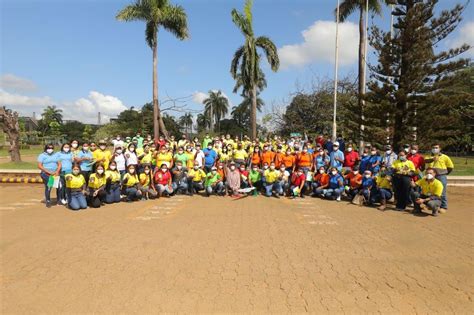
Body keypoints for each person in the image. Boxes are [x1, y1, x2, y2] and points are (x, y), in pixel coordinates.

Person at [424, 144, 453, 212]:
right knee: (430, 191)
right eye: (433, 147)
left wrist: (444, 173)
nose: (434, 149)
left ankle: (443, 206)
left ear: (440, 148)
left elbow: (450, 167)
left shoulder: (445, 157)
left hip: (441, 176)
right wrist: (432, 159)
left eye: (436, 148)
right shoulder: (428, 156)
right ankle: (430, 205)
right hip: (430, 176)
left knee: (442, 191)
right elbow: (426, 161)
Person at [37, 144, 61, 208]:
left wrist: (57, 171)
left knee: (58, 186)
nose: (50, 149)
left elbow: (59, 164)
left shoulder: (55, 155)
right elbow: (39, 166)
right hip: (46, 174)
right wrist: (48, 172)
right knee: (49, 186)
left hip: (55, 173)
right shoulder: (42, 155)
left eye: (51, 148)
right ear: (46, 148)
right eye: (48, 148)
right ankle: (48, 200)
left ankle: (59, 200)